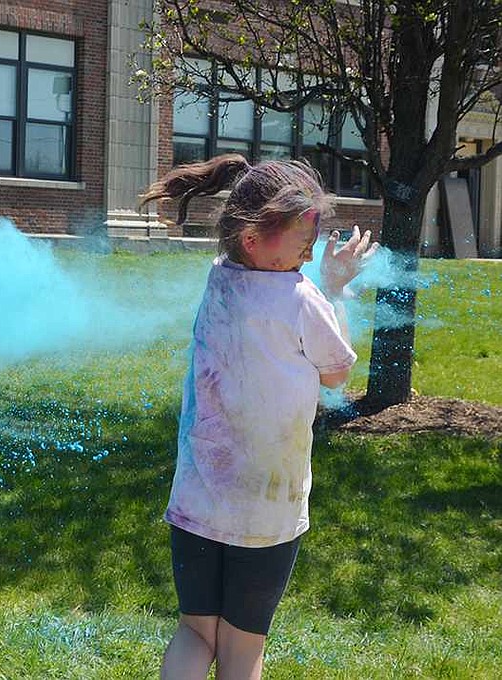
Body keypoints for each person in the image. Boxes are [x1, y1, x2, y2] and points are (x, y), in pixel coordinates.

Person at [139, 155, 377, 678]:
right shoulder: (304, 299)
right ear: (252, 238)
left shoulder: (218, 277)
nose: (311, 252)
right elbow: (335, 374)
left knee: (195, 631)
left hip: (199, 496)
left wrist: (314, 277)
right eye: (302, 241)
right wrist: (336, 288)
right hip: (267, 508)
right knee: (243, 649)